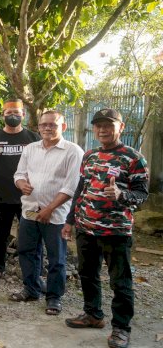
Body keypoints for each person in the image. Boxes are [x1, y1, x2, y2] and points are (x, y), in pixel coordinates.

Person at [62, 108, 149, 348]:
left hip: (116, 231)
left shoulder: (133, 158)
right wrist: (70, 221)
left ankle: (121, 328)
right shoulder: (89, 155)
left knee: (120, 282)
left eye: (109, 125)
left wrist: (122, 194)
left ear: (121, 127)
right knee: (87, 274)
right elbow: (81, 190)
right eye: (98, 125)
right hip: (85, 227)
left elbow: (142, 194)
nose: (102, 130)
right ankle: (93, 315)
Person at [9, 110, 83, 316]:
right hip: (30, 212)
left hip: (56, 215)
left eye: (53, 124)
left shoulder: (73, 151)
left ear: (63, 127)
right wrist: (21, 184)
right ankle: (31, 290)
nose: (48, 128)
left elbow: (71, 186)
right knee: (27, 252)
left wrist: (50, 209)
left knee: (56, 257)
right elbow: (19, 173)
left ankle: (54, 297)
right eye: (44, 125)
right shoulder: (31, 148)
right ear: (38, 127)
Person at [0, 99, 40, 285]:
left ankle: (33, 273)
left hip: (29, 198)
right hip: (1, 197)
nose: (12, 115)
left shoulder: (33, 138)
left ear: (23, 114)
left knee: (32, 236)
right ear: (2, 115)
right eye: (8, 112)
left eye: (16, 112)